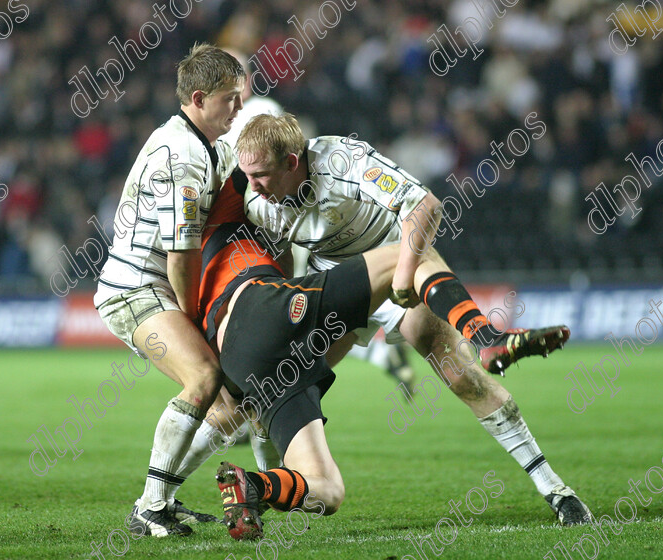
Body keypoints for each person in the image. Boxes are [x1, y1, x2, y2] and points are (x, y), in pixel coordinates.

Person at [233, 113, 593, 526]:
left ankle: (554, 488)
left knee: (463, 378)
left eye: (260, 174)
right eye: (248, 175)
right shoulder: (258, 205)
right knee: (275, 388)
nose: (253, 186)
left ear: (292, 162)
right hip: (335, 288)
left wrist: (401, 275)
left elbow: (424, 204)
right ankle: (253, 490)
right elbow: (276, 261)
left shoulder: (339, 161)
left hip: (394, 263)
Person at [195, 167, 405, 540]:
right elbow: (252, 168)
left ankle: (253, 486)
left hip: (274, 361)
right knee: (408, 252)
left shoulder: (278, 223)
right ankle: (475, 330)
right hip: (266, 309)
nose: (264, 187)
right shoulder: (228, 208)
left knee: (327, 491)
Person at [93, 43, 246, 537]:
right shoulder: (180, 156)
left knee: (232, 410)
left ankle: (160, 498)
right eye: (230, 100)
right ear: (199, 98)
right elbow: (181, 255)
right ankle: (149, 507)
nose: (238, 108)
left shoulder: (207, 145)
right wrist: (200, 316)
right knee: (203, 378)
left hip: (157, 284)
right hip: (134, 289)